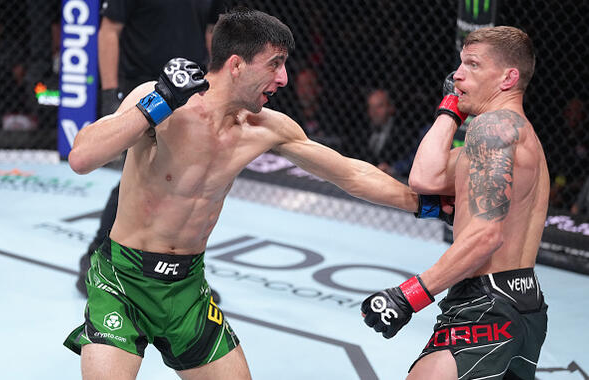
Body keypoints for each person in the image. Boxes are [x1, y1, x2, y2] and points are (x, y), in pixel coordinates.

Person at [63, 9, 454, 379]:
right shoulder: (161, 101)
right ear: (236, 64)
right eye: (274, 63)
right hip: (122, 282)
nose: (284, 78)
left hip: (187, 288)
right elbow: (82, 156)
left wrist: (425, 205)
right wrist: (159, 101)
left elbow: (349, 173)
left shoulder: (265, 128)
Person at [361, 26, 549, 380]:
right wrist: (451, 108)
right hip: (525, 301)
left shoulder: (491, 130)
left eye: (473, 65)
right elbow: (425, 178)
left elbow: (485, 237)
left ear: (508, 77)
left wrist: (410, 295)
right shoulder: (521, 136)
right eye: (460, 64)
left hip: (485, 304)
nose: (457, 74)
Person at [75, 0, 224, 298]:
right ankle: (95, 256)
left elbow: (213, 34)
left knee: (184, 180)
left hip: (191, 94)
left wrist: (216, 88)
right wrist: (109, 93)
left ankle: (181, 274)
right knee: (137, 174)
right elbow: (109, 31)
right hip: (144, 91)